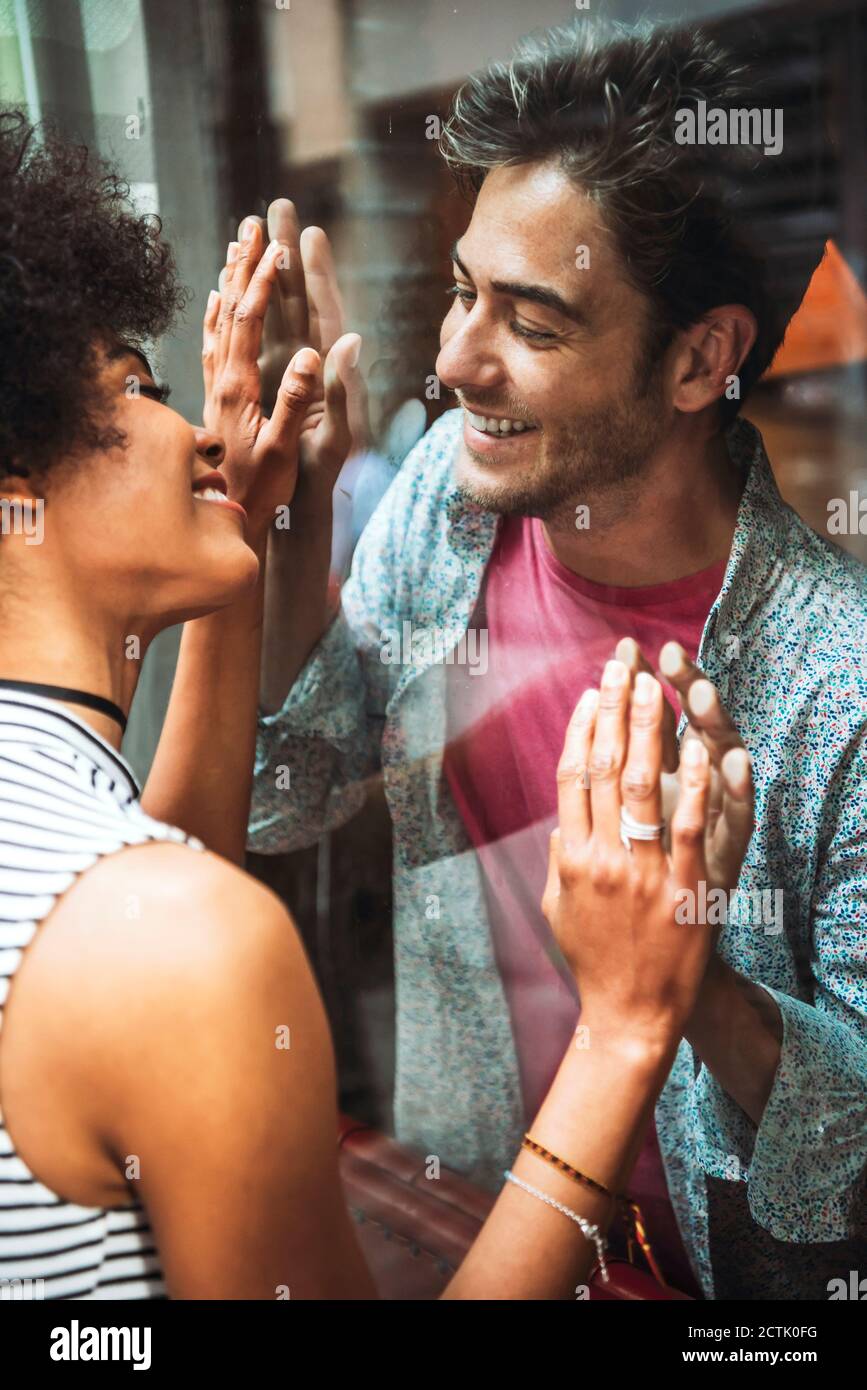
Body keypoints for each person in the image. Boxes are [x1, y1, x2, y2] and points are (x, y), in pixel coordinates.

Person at [0, 108, 751, 1300]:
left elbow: (174, 866)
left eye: (532, 316)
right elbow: (190, 907)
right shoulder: (185, 941)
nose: (199, 425)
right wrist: (627, 1024)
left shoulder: (75, 846)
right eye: (138, 386)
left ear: (700, 362)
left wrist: (249, 532)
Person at [246, 21, 867, 1299]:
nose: (454, 360)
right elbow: (288, 793)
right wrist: (281, 530)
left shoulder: (836, 681)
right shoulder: (447, 500)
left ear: (701, 359)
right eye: (464, 290)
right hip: (476, 1219)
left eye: (529, 320)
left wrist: (684, 975)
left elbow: (854, 1165)